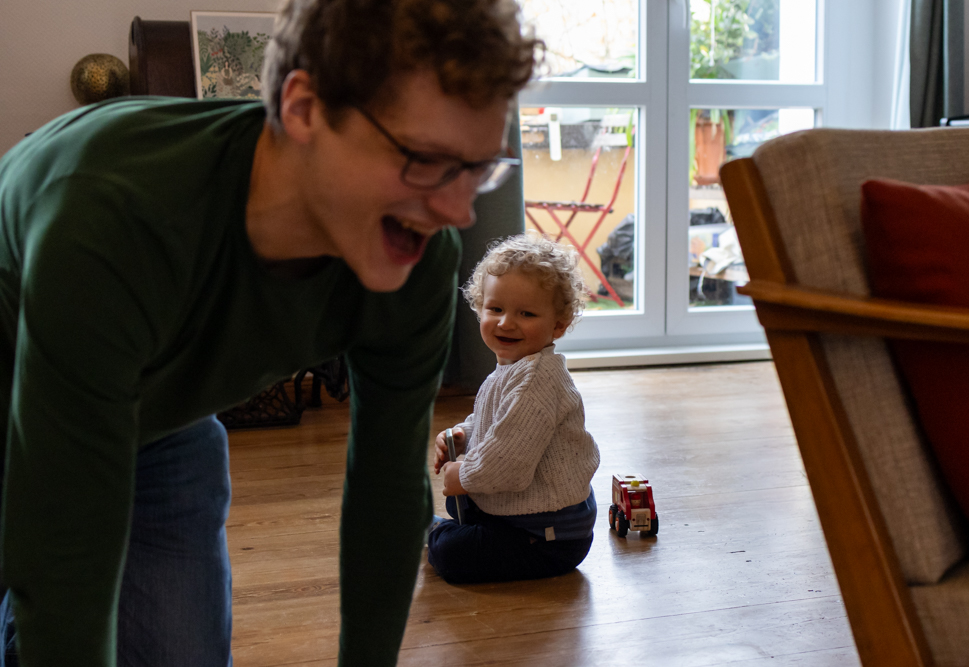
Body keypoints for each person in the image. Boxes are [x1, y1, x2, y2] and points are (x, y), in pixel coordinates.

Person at [0, 0, 541, 665]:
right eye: (426, 159)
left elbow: (387, 491)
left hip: (163, 414)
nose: (458, 212)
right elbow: (62, 560)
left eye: (479, 169)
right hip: (22, 390)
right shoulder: (111, 218)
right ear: (304, 109)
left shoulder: (416, 252)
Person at [428, 234, 601, 584]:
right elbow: (494, 421)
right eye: (495, 309)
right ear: (480, 308)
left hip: (548, 537)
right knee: (460, 503)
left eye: (526, 313)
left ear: (558, 324)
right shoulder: (515, 366)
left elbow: (508, 465)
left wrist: (463, 475)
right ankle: (460, 528)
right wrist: (464, 436)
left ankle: (433, 533)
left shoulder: (536, 381)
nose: (506, 323)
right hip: (525, 514)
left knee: (451, 554)